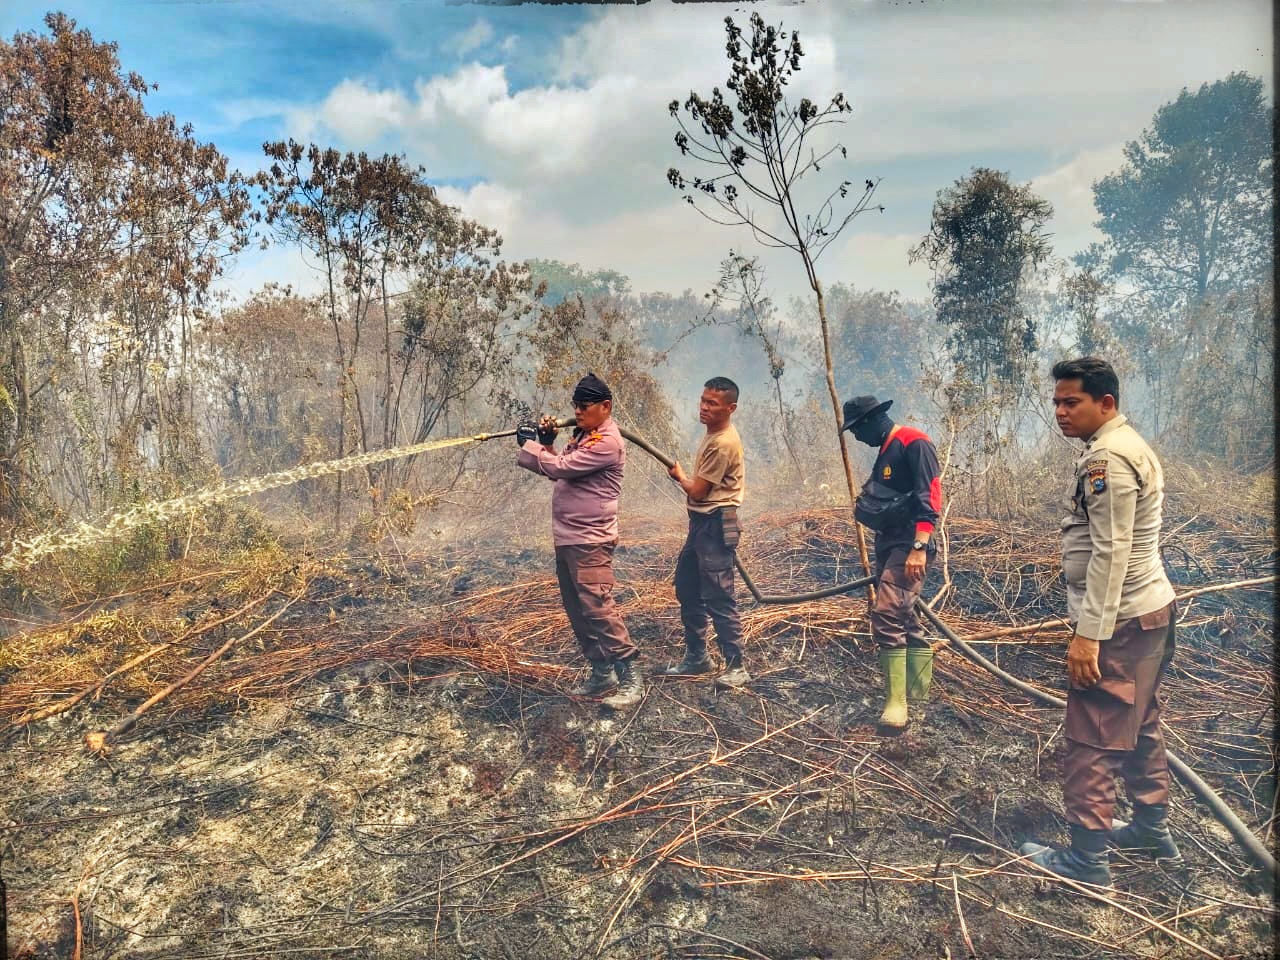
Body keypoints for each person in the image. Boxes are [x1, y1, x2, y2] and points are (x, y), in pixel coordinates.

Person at [1020, 357, 1179, 886]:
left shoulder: (1106, 459)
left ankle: (1086, 861)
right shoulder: (1128, 445)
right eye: (1057, 403)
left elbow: (1111, 550)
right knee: (1140, 724)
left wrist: (1089, 634)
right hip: (1149, 611)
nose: (1061, 413)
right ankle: (1152, 832)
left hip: (1121, 620)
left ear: (1105, 403)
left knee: (1092, 735)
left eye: (1072, 402)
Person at [516, 373, 643, 710]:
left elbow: (561, 468)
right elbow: (555, 465)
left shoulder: (607, 443)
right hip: (569, 537)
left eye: (584, 406)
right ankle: (602, 672)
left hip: (591, 540)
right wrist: (545, 441)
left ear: (606, 406)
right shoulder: (586, 435)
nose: (578, 410)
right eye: (575, 405)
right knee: (577, 607)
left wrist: (529, 446)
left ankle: (630, 678)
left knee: (598, 607)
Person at [841, 394, 942, 732]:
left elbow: (930, 496)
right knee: (904, 614)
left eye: (856, 429)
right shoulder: (886, 449)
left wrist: (919, 546)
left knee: (886, 613)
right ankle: (917, 694)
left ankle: (897, 706)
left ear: (872, 420)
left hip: (909, 544)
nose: (856, 437)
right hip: (890, 542)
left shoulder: (914, 442)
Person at [663, 377, 750, 689]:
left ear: (731, 408)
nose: (704, 407)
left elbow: (699, 491)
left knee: (719, 595)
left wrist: (680, 476)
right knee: (687, 588)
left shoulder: (723, 442)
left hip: (714, 524)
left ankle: (736, 666)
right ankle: (698, 657)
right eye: (703, 400)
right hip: (700, 525)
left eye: (712, 403)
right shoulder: (713, 434)